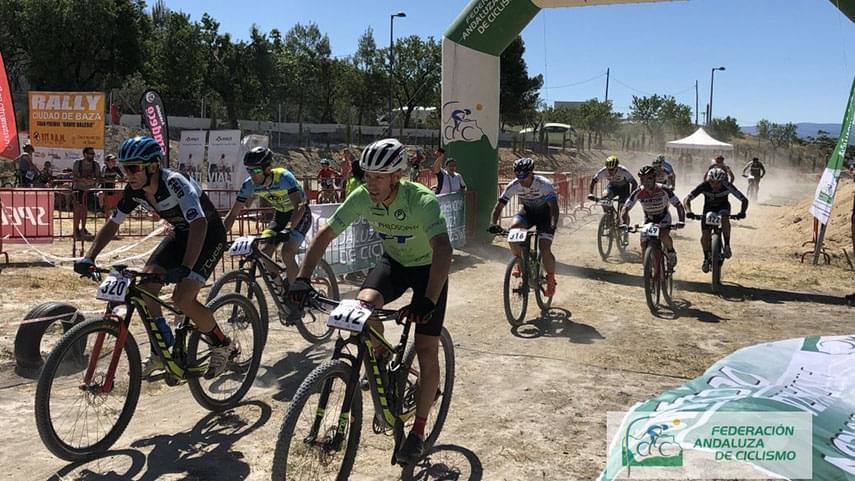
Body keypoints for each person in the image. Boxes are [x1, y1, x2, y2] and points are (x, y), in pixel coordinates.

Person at [288, 138, 453, 465]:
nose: (371, 182)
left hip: (428, 270)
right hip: (394, 264)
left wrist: (428, 301)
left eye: (379, 177)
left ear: (396, 176)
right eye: (368, 175)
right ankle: (384, 357)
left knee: (426, 347)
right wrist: (303, 278)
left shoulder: (420, 199)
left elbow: (443, 249)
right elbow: (325, 234)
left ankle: (419, 431)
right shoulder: (362, 196)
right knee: (362, 308)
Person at [73, 136, 232, 379]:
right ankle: (161, 349)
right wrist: (89, 257)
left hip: (209, 235)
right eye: (124, 168)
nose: (128, 174)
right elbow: (113, 223)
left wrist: (186, 268)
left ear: (153, 166)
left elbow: (199, 224)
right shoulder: (134, 191)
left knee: (182, 298)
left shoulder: (175, 183)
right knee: (146, 287)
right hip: (182, 234)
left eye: (133, 168)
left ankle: (222, 344)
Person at [223, 147, 311, 322]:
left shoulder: (284, 177)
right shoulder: (250, 184)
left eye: (255, 171)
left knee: (286, 253)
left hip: (299, 214)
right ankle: (282, 290)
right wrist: (219, 237)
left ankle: (298, 295)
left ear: (268, 169)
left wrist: (289, 229)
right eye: (249, 170)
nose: (252, 175)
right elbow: (233, 214)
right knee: (263, 253)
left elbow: (299, 206)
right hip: (280, 216)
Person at [488, 157, 559, 296]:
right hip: (528, 213)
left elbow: (554, 207)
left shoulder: (544, 184)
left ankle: (551, 278)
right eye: (518, 176)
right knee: (513, 232)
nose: (521, 180)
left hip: (545, 216)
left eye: (524, 176)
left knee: (544, 248)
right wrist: (493, 224)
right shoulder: (514, 185)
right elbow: (499, 206)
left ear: (531, 173)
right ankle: (519, 261)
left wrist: (553, 224)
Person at [683, 167, 749, 273]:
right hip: (708, 209)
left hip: (723, 207)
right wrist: (689, 211)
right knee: (705, 235)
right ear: (708, 180)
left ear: (723, 181)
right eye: (712, 182)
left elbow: (744, 199)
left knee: (724, 218)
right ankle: (706, 258)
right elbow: (687, 199)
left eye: (718, 182)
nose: (715, 185)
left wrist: (742, 212)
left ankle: (727, 245)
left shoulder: (727, 185)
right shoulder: (704, 186)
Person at [621, 165, 685, 267]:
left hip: (663, 217)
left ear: (655, 178)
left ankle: (671, 251)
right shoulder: (638, 191)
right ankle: (647, 269)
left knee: (663, 235)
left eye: (649, 179)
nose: (645, 182)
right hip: (648, 219)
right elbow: (625, 208)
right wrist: (624, 223)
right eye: (642, 179)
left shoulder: (664, 189)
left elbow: (678, 205)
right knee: (643, 243)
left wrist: (681, 221)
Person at [588, 155, 638, 226]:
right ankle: (609, 216)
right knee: (604, 200)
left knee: (622, 209)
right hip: (612, 187)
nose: (610, 171)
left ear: (617, 167)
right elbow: (593, 181)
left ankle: (624, 225)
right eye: (608, 169)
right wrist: (590, 193)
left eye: (612, 169)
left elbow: (634, 183)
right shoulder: (603, 171)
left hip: (624, 188)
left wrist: (631, 196)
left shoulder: (623, 171)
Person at [71, 147, 101, 240]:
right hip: (78, 189)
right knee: (77, 210)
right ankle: (76, 229)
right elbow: (74, 176)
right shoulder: (78, 163)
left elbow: (99, 177)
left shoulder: (96, 165)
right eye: (90, 153)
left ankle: (83, 228)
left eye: (93, 154)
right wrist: (82, 180)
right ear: (85, 154)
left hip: (89, 190)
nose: (92, 155)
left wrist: (93, 181)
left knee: (84, 210)